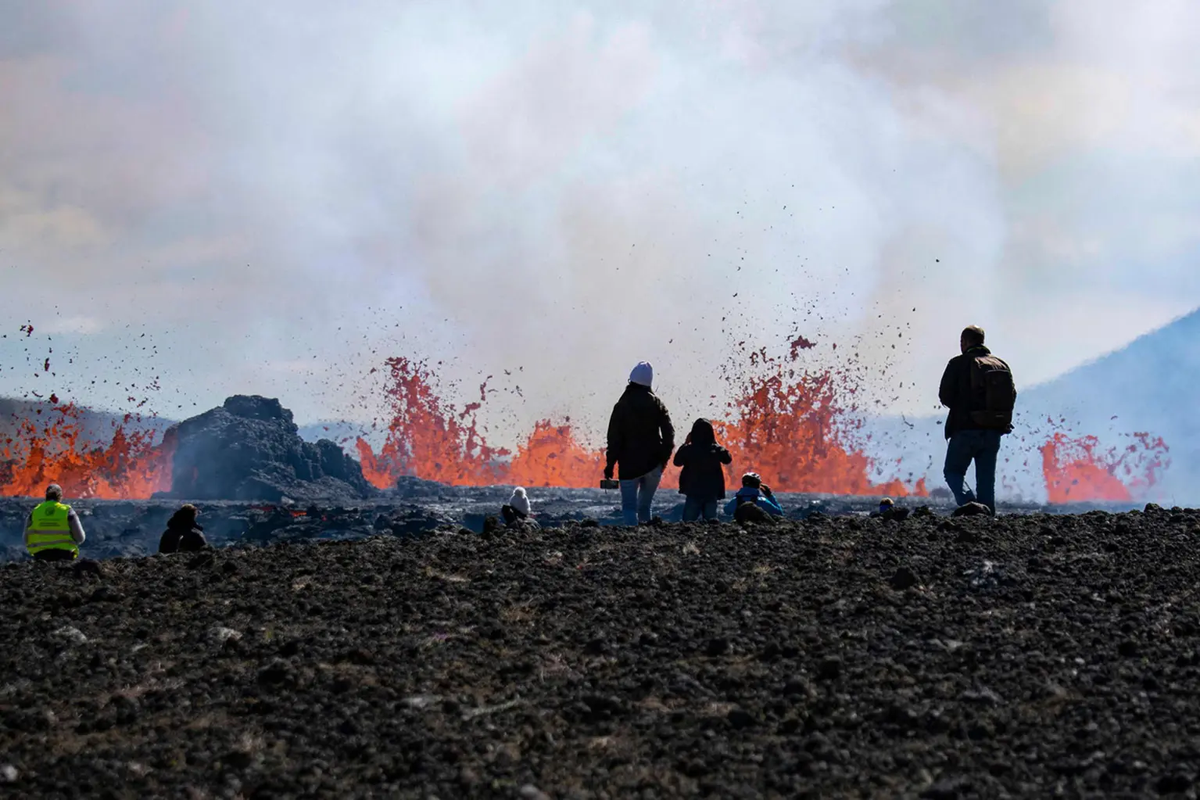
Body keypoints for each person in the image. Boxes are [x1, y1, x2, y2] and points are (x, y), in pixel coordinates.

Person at [938, 325, 1017, 514]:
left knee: (953, 472)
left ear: (964, 342)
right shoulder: (1000, 364)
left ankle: (971, 506)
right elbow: (1012, 395)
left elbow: (945, 396)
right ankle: (988, 521)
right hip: (993, 430)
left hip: (965, 428)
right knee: (986, 481)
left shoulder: (957, 363)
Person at [604, 361, 675, 526]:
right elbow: (669, 434)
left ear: (631, 380)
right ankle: (646, 540)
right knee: (645, 506)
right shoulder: (657, 404)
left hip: (628, 467)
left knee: (629, 507)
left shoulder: (621, 406)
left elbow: (614, 439)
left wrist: (610, 465)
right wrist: (662, 460)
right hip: (653, 465)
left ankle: (632, 541)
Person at [672, 418, 732, 521]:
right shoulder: (715, 450)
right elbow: (727, 459)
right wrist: (717, 444)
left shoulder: (689, 450)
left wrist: (685, 443)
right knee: (711, 523)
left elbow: (677, 462)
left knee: (688, 523)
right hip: (711, 492)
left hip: (693, 491)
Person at [24, 483, 86, 561]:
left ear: (46, 496)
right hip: (65, 556)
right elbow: (80, 538)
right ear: (60, 497)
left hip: (41, 557)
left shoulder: (35, 512)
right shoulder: (67, 511)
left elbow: (26, 538)